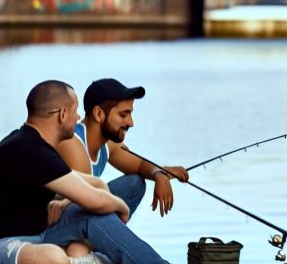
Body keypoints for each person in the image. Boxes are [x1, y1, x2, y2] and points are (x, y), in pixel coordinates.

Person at [0, 80, 174, 264]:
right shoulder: (29, 150)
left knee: (95, 213)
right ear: (63, 114)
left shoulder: (34, 144)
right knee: (56, 260)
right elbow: (93, 200)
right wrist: (122, 207)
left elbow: (93, 184)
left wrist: (104, 197)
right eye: (75, 111)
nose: (78, 118)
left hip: (31, 234)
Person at [56, 78, 189, 218]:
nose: (130, 123)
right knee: (95, 212)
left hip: (81, 214)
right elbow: (86, 205)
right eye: (123, 115)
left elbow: (139, 165)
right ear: (98, 114)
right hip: (52, 228)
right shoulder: (73, 144)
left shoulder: (107, 144)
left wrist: (160, 174)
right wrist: (121, 209)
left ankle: (108, 235)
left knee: (135, 183)